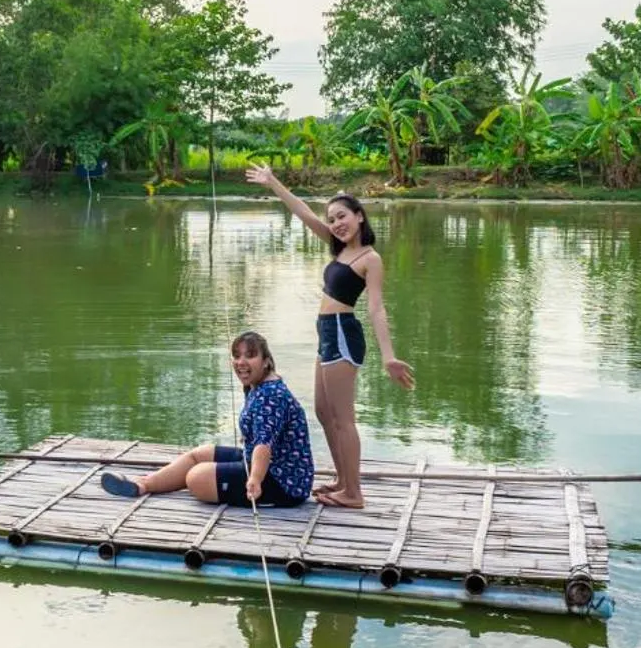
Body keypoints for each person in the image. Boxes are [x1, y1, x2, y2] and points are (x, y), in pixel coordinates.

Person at [243, 167, 413, 508]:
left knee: (343, 417)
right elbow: (303, 213)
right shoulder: (339, 250)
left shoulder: (370, 258)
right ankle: (342, 479)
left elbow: (377, 308)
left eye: (343, 216)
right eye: (332, 218)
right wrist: (274, 182)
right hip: (327, 334)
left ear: (360, 217)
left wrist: (389, 356)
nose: (336, 223)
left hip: (343, 333)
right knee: (324, 411)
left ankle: (354, 492)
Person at [100, 331, 312, 507]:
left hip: (283, 482)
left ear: (266, 361)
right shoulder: (257, 385)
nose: (241, 362)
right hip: (267, 464)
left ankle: (154, 484)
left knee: (196, 477)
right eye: (236, 356)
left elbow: (264, 445)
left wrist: (255, 479)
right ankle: (143, 484)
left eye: (250, 355)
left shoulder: (271, 395)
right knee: (199, 454)